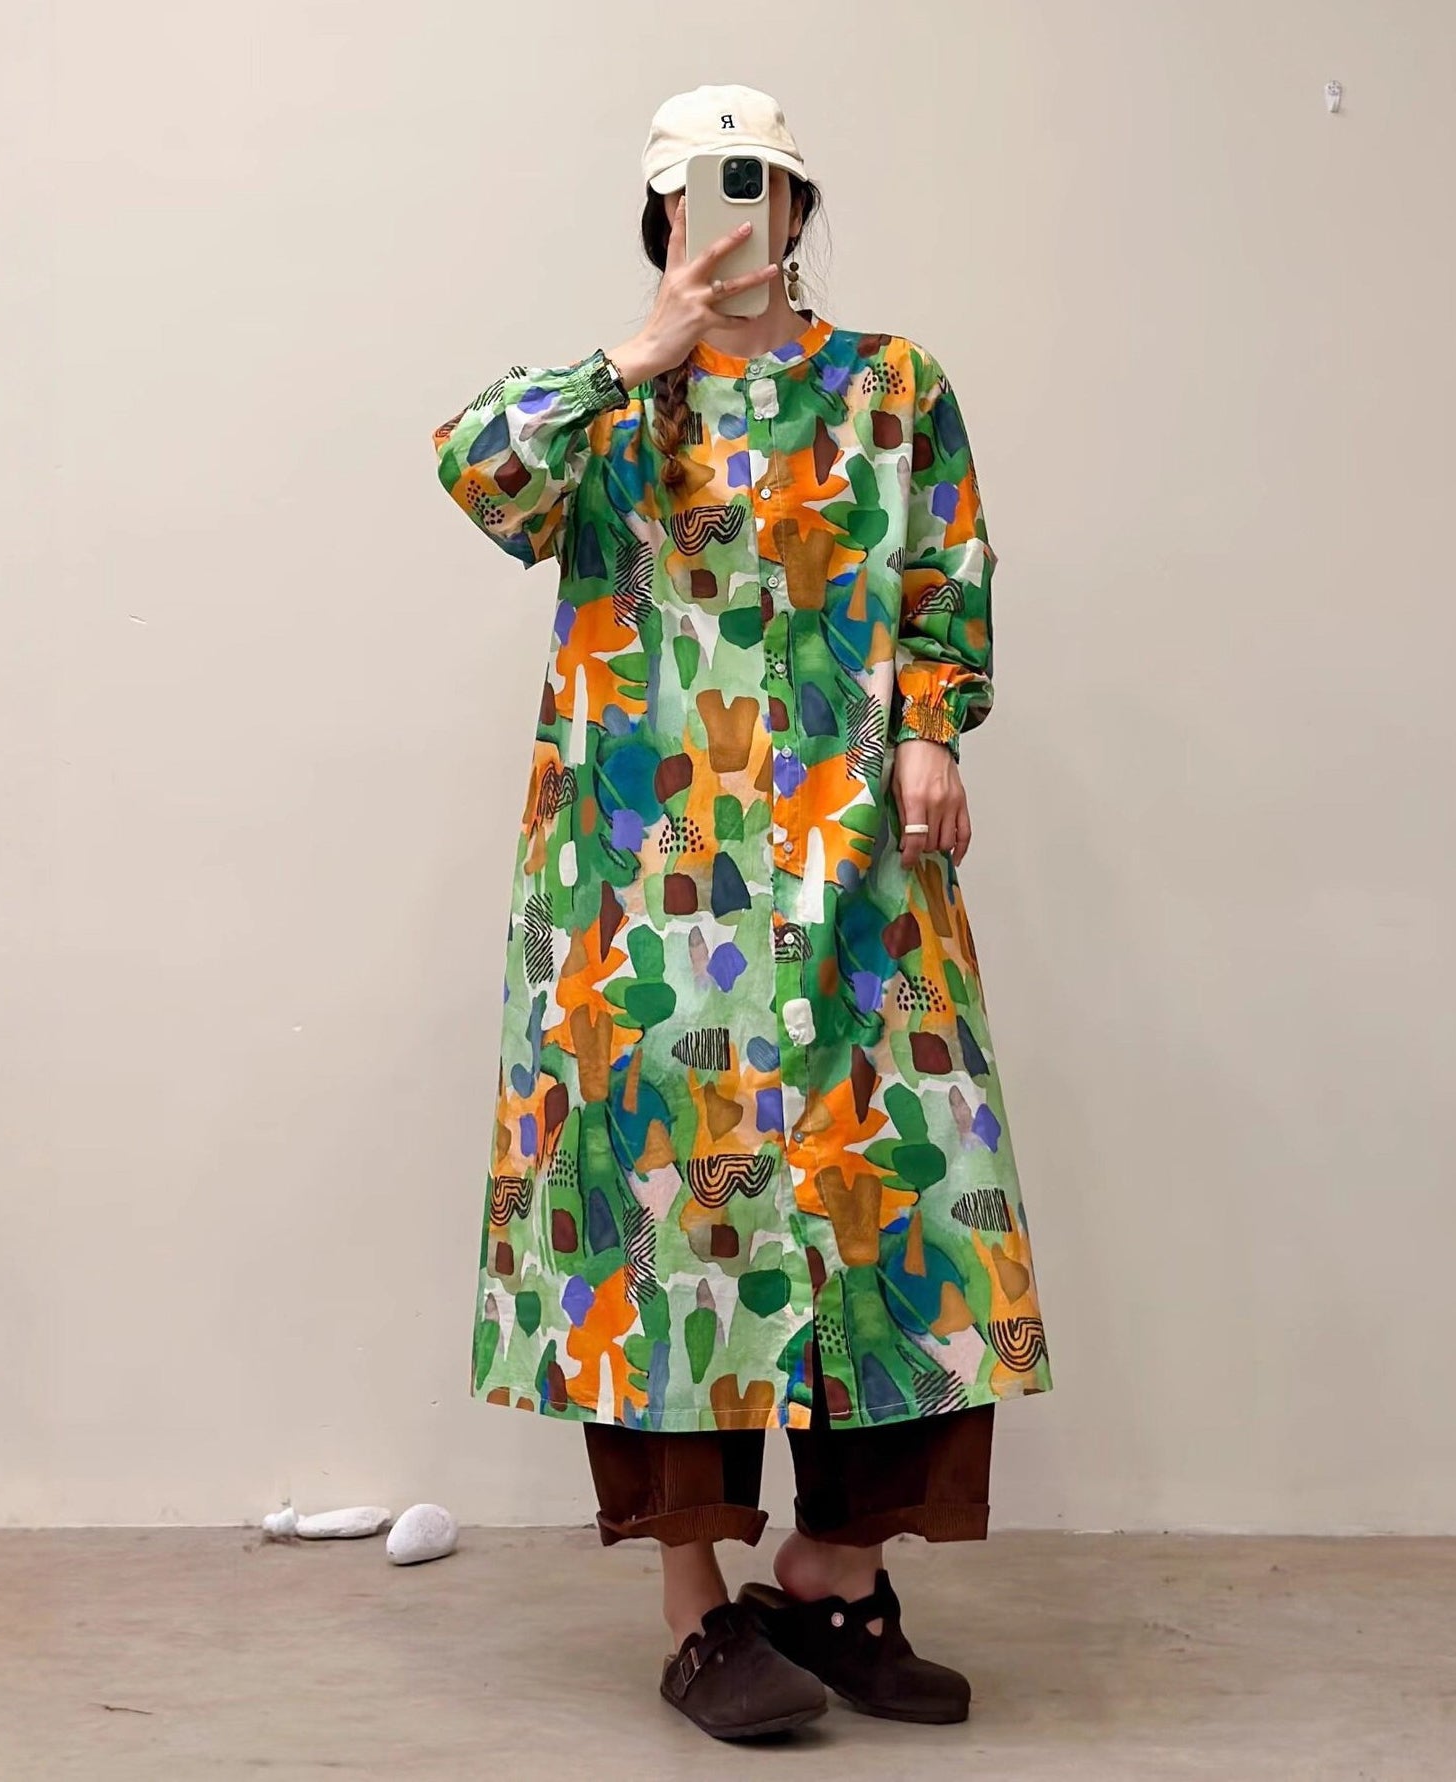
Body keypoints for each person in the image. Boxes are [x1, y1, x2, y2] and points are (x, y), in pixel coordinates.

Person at [431, 83, 1053, 1742]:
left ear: (796, 203)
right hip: (641, 896)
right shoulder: (604, 409)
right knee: (659, 1230)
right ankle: (695, 1612)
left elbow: (944, 567)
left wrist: (931, 725)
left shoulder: (893, 386)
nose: (733, 211)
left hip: (854, 872)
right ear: (662, 216)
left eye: (761, 182)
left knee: (904, 1200)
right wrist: (632, 355)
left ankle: (831, 1576)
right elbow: (476, 476)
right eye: (703, 190)